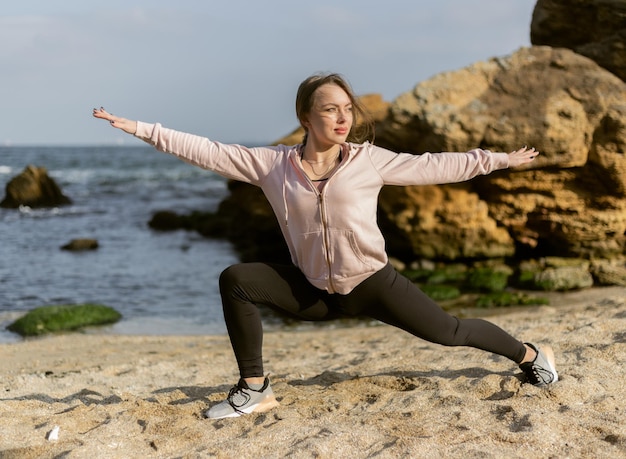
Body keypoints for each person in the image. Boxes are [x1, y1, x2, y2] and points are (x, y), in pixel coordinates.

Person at [93, 72, 558, 420]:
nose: (343, 118)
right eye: (331, 109)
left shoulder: (368, 162)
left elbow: (433, 165)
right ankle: (254, 388)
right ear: (305, 117)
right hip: (315, 292)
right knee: (236, 280)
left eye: (347, 109)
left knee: (450, 333)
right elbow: (204, 149)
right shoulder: (271, 166)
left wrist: (495, 160)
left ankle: (532, 356)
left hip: (371, 284)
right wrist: (137, 127)